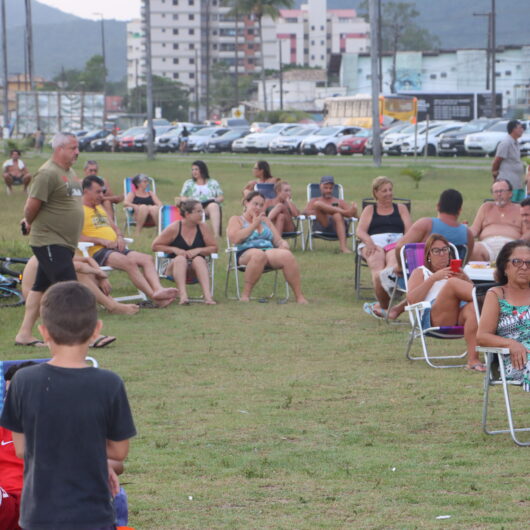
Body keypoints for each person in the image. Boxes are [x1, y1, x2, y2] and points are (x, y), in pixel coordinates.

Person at [0, 281, 136, 530]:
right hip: (91, 511)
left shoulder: (22, 380)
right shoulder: (109, 383)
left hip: (39, 512)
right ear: (96, 330)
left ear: (44, 332)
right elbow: (118, 452)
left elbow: (22, 449)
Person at [14, 132, 83, 347]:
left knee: (38, 288)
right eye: (73, 148)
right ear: (59, 149)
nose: (77, 152)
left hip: (65, 241)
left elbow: (74, 201)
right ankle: (83, 334)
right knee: (70, 289)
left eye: (77, 147)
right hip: (50, 240)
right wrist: (28, 221)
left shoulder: (70, 172)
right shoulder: (46, 173)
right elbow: (32, 205)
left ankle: (24, 334)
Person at [81, 175, 178, 308]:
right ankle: (154, 296)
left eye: (102, 192)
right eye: (98, 192)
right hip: (97, 251)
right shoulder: (78, 210)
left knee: (147, 259)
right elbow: (76, 237)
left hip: (115, 247)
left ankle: (159, 289)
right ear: (86, 191)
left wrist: (120, 237)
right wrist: (100, 240)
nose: (102, 195)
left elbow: (115, 227)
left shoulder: (100, 208)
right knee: (129, 262)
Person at [407, 233, 485, 371]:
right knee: (453, 284)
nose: (442, 254)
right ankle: (495, 301)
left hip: (458, 314)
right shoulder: (421, 272)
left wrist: (465, 279)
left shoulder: (458, 273)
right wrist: (433, 279)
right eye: (436, 250)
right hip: (434, 317)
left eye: (445, 249)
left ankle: (473, 360)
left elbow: (471, 295)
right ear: (428, 255)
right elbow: (411, 300)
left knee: (473, 307)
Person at [226, 191, 308, 303]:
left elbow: (278, 240)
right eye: (255, 204)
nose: (258, 208)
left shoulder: (265, 221)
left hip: (268, 251)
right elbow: (235, 238)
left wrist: (283, 244)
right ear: (246, 203)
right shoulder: (236, 219)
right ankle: (245, 295)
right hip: (245, 252)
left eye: (261, 205)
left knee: (287, 255)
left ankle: (299, 297)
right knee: (258, 255)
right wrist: (254, 225)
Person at [357, 176, 412, 319]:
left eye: (390, 190)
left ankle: (384, 306)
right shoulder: (370, 209)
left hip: (396, 242)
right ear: (375, 193)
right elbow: (360, 231)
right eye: (384, 191)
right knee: (377, 269)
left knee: (390, 268)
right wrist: (369, 242)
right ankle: (385, 306)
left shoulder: (401, 208)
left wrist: (404, 244)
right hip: (374, 243)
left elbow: (409, 230)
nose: (388, 193)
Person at [477, 240, 530, 388]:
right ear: (505, 267)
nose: (524, 267)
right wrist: (512, 344)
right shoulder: (497, 295)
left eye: (529, 263)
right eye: (517, 262)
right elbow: (482, 336)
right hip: (517, 360)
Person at [22, 255, 139, 317]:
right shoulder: (51, 251)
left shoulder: (57, 248)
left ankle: (111, 302)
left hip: (50, 296)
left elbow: (87, 259)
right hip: (39, 303)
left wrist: (101, 276)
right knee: (80, 273)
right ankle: (111, 306)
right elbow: (77, 267)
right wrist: (98, 273)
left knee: (88, 271)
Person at [152, 199, 218, 305]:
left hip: (195, 269)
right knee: (180, 259)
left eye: (202, 211)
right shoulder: (174, 227)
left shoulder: (203, 227)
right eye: (199, 211)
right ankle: (183, 297)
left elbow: (214, 248)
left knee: (199, 259)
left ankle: (208, 297)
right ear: (187, 214)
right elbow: (155, 246)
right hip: (174, 268)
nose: (203, 214)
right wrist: (174, 249)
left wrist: (199, 250)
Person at [469, 179, 523, 261]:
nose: (498, 194)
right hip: (487, 245)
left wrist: (517, 244)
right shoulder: (486, 207)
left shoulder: (520, 209)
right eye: (495, 191)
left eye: (501, 191)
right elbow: (475, 229)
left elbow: (527, 232)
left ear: (510, 193)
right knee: (474, 249)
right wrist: (464, 231)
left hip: (511, 245)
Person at [303, 175, 358, 254]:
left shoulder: (339, 201)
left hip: (338, 226)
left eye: (330, 188)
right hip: (323, 225)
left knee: (337, 215)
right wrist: (324, 211)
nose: (328, 190)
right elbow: (305, 213)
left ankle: (343, 248)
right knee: (318, 204)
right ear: (320, 187)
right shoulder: (314, 200)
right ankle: (343, 212)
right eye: (325, 188)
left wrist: (354, 209)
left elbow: (353, 215)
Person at [178, 160, 224, 237]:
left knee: (214, 206)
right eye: (192, 170)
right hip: (193, 207)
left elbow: (221, 197)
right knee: (194, 207)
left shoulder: (213, 183)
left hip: (207, 207)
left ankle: (216, 235)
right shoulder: (188, 183)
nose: (194, 172)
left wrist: (214, 200)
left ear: (202, 170)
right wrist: (189, 200)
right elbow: (182, 197)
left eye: (196, 169)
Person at [492, 120, 526, 201]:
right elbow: (497, 160)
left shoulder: (516, 143)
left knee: (518, 207)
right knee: (510, 205)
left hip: (517, 182)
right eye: (520, 128)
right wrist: (495, 175)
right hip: (508, 182)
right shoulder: (506, 143)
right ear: (513, 129)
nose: (522, 130)